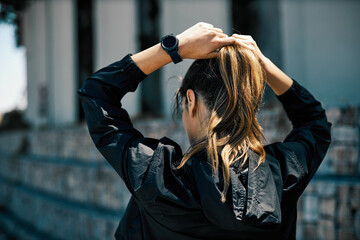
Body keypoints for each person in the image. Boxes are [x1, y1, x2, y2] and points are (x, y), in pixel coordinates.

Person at [78, 22, 331, 240]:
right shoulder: (284, 175)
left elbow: (96, 93)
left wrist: (172, 48)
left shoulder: (158, 179)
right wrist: (262, 64)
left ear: (191, 100)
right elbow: (315, 121)